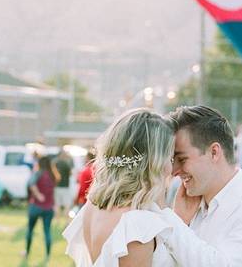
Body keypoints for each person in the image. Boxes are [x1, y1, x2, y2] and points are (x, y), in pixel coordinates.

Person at [160, 104, 242, 266]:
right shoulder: (186, 209)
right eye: (172, 161)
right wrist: (181, 221)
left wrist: (173, 222)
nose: (174, 171)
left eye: (182, 159)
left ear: (214, 152)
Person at [62, 108, 176, 266]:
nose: (172, 169)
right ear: (154, 162)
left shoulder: (92, 207)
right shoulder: (137, 224)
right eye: (170, 158)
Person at [25, 154, 57, 262]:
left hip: (36, 207)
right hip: (49, 208)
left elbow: (30, 184)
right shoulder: (53, 175)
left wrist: (38, 195)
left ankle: (27, 252)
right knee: (47, 232)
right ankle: (48, 255)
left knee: (30, 230)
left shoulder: (38, 173)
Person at [55, 149, 75, 218]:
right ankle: (66, 219)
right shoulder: (66, 163)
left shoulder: (55, 163)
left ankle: (56, 218)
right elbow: (70, 173)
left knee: (57, 204)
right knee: (67, 204)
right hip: (65, 186)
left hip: (57, 186)